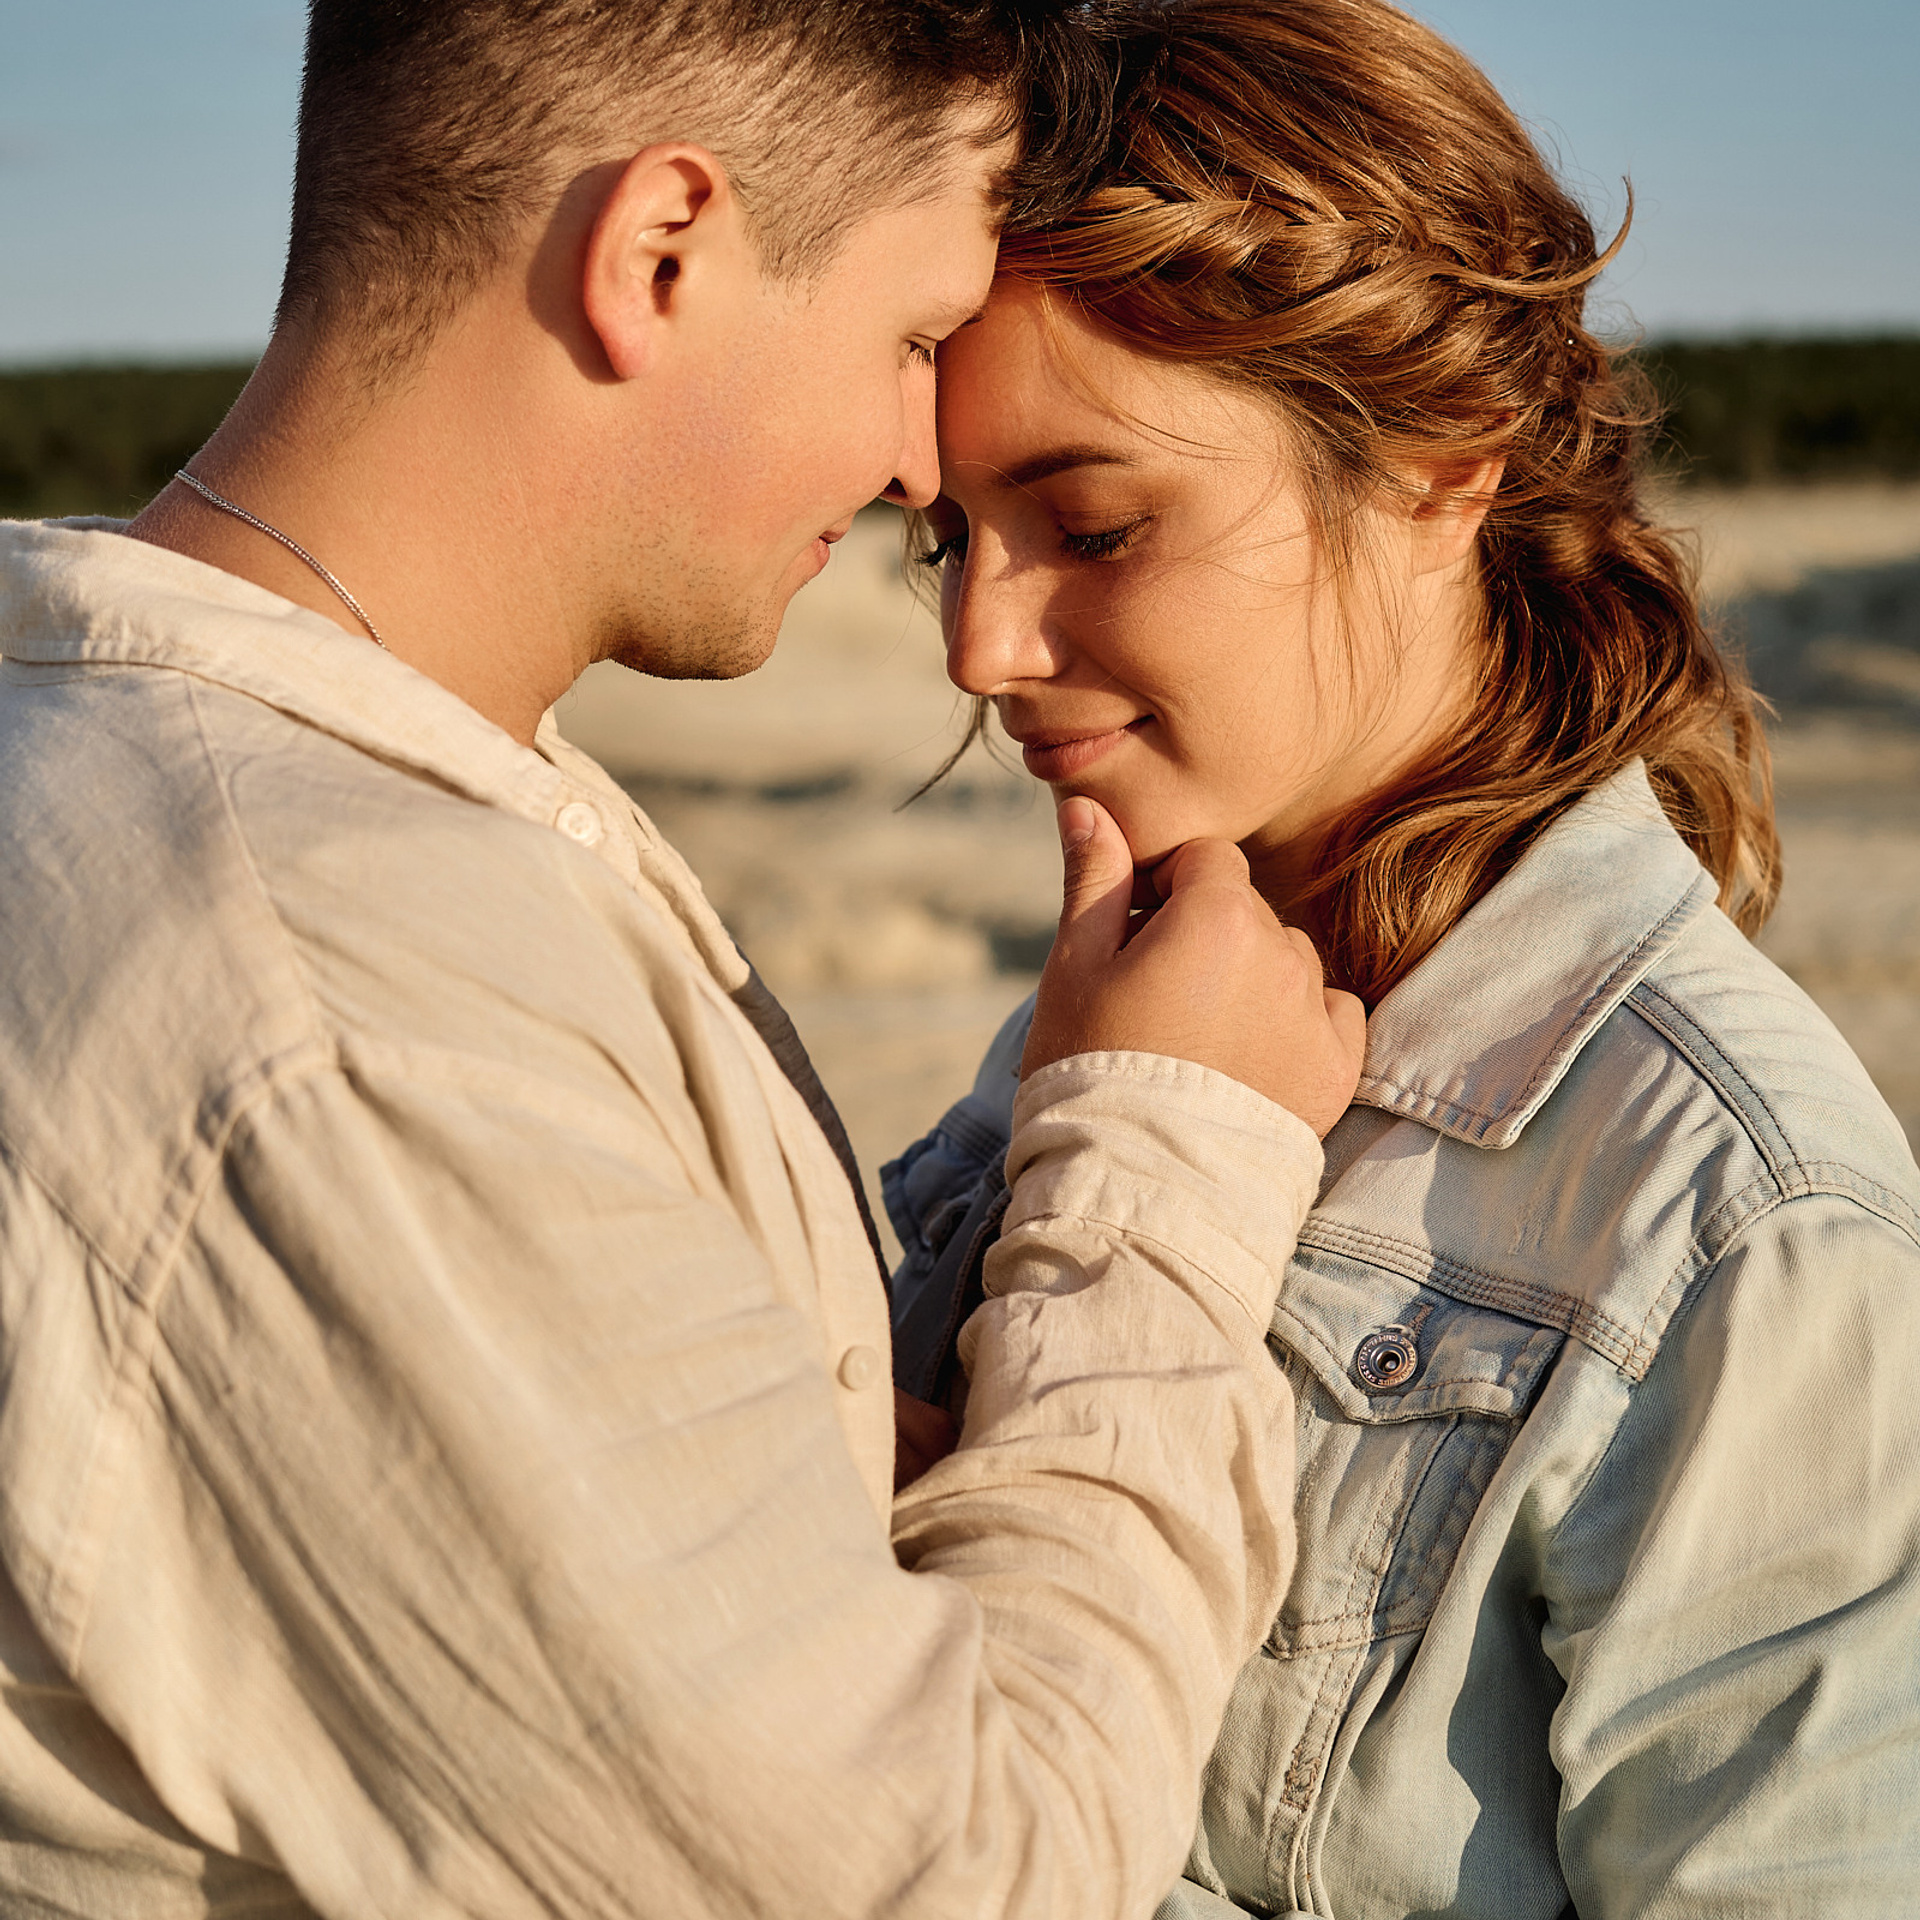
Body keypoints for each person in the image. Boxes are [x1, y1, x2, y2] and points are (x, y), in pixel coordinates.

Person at [0, 3, 1370, 1914]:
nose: (918, 463)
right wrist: (1163, 1163)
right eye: (913, 337)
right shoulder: (334, 1001)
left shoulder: (134, 768)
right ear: (659, 253)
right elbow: (953, 1886)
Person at [887, 2, 1920, 1913]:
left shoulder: (1744, 1226)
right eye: (937, 541)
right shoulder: (1114, 1001)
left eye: (1095, 526)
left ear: (1445, 464)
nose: (978, 646)